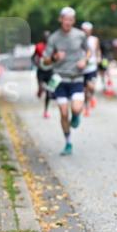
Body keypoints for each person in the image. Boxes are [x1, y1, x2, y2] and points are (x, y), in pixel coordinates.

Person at [41, 8, 90, 155]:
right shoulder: (54, 38)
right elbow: (45, 60)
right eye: (65, 19)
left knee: (75, 109)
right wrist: (55, 57)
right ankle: (68, 143)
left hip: (76, 78)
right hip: (60, 79)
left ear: (73, 21)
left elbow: (88, 51)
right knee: (63, 114)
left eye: (70, 19)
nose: (67, 22)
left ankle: (76, 116)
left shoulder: (80, 35)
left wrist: (84, 60)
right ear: (60, 19)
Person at [80, 22, 102, 116]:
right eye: (84, 30)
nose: (85, 32)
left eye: (87, 30)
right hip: (82, 68)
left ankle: (92, 96)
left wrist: (99, 58)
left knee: (91, 87)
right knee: (84, 91)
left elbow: (98, 50)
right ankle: (87, 108)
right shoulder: (79, 39)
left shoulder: (95, 39)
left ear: (90, 31)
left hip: (92, 66)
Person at [32, 30, 52, 118]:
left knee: (49, 92)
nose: (46, 38)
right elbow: (33, 57)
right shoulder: (38, 46)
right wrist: (37, 64)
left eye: (48, 36)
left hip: (50, 71)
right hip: (41, 70)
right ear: (43, 37)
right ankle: (40, 90)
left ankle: (46, 111)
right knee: (41, 87)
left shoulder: (53, 46)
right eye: (45, 36)